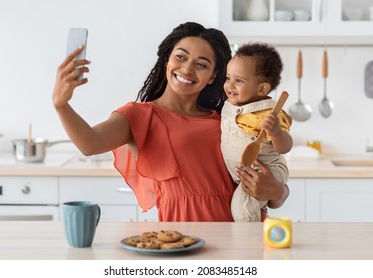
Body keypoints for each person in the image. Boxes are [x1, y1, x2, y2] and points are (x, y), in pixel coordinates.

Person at [52, 22, 289, 222]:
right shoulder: (140, 115)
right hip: (183, 241)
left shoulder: (228, 120)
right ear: (167, 60)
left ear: (214, 76)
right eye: (181, 57)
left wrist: (277, 191)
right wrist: (61, 105)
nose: (187, 68)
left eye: (201, 64)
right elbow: (89, 144)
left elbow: (269, 172)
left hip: (246, 236)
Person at [220, 42, 293, 222]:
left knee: (242, 209)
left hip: (266, 170)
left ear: (262, 89)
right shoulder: (231, 105)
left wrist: (276, 132)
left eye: (239, 81)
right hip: (245, 171)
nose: (229, 85)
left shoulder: (270, 115)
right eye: (228, 77)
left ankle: (250, 243)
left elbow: (285, 147)